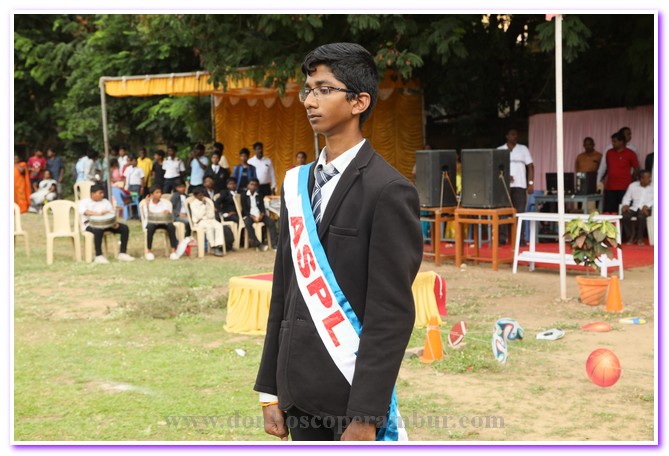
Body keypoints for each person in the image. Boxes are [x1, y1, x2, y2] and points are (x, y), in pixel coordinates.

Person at [254, 42, 422, 442]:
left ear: (359, 102)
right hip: (296, 394)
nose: (310, 100)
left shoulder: (388, 190)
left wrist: (365, 415)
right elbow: (283, 291)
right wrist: (270, 390)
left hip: (347, 400)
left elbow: (390, 314)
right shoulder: (296, 184)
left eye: (324, 89)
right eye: (308, 89)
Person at [78, 183, 135, 264]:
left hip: (107, 224)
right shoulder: (84, 202)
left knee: (124, 228)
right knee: (98, 230)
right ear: (93, 193)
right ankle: (98, 256)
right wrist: (98, 214)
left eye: (103, 193)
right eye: (100, 193)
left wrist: (114, 223)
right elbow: (85, 211)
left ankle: (122, 253)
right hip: (90, 225)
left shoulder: (105, 202)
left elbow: (111, 214)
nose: (102, 195)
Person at [497, 128, 534, 245]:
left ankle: (520, 239)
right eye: (512, 134)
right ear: (507, 136)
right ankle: (502, 238)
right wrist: (505, 175)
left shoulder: (523, 149)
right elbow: (495, 168)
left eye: (516, 135)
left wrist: (530, 183)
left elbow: (531, 167)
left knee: (520, 213)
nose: (515, 136)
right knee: (503, 212)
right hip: (504, 186)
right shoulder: (500, 150)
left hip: (520, 186)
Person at [597, 131, 639, 213]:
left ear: (621, 142)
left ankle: (622, 222)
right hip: (610, 187)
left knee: (623, 210)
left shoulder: (631, 153)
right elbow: (608, 167)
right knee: (610, 210)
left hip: (625, 187)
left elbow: (636, 168)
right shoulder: (609, 153)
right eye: (612, 141)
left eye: (614, 141)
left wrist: (632, 180)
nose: (612, 143)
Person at [142, 186, 183, 261]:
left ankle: (173, 251)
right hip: (152, 222)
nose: (159, 194)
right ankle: (149, 251)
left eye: (160, 192)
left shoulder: (164, 203)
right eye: (157, 193)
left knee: (171, 226)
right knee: (150, 227)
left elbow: (167, 213)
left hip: (163, 221)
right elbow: (148, 215)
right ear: (152, 194)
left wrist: (167, 212)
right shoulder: (147, 203)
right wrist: (148, 206)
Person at [241, 178, 277, 251]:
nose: (253, 186)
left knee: (271, 222)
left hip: (259, 215)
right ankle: (258, 244)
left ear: (257, 187)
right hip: (249, 216)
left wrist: (261, 215)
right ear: (248, 185)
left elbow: (262, 208)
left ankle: (274, 245)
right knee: (247, 223)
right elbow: (244, 209)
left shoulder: (259, 195)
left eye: (255, 185)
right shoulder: (244, 195)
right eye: (251, 184)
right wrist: (252, 216)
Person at [189, 187, 225, 256]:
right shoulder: (193, 204)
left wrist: (207, 209)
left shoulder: (207, 202)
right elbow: (199, 215)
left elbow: (211, 214)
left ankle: (218, 245)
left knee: (219, 225)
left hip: (209, 219)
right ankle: (213, 246)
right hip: (200, 222)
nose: (201, 197)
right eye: (199, 195)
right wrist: (203, 206)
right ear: (195, 196)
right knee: (209, 227)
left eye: (202, 195)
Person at [620, 169, 653, 245]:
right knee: (624, 216)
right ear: (641, 179)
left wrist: (647, 205)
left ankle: (640, 238)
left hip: (647, 208)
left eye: (650, 177)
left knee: (641, 216)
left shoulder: (654, 187)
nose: (650, 179)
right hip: (634, 207)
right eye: (648, 177)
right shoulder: (633, 186)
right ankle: (631, 235)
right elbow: (627, 197)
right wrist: (625, 204)